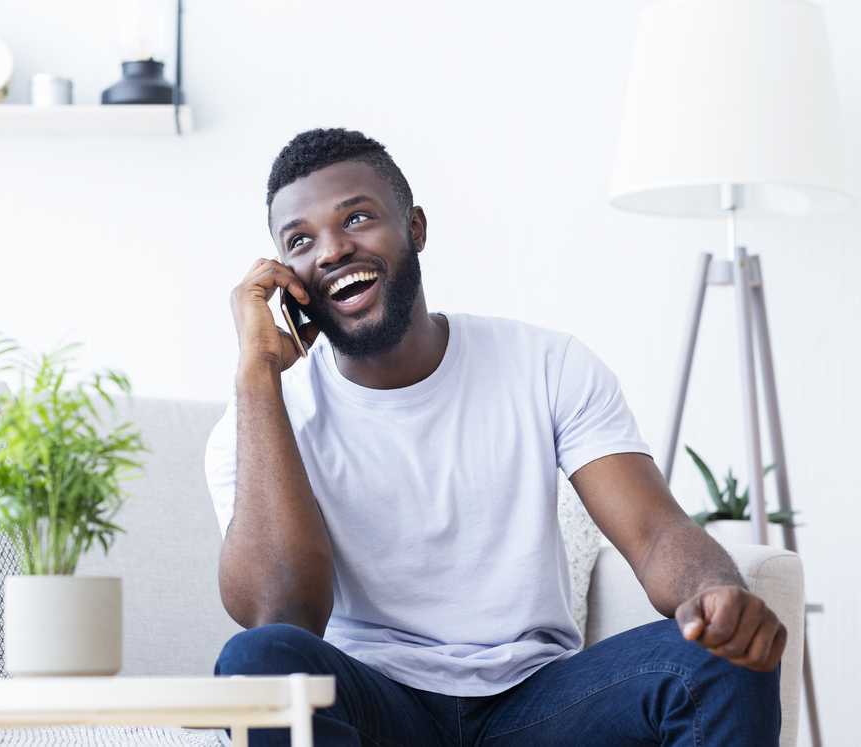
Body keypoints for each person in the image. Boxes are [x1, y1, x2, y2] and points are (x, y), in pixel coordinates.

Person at [204, 128, 783, 746]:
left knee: (721, 657)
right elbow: (283, 615)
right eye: (301, 241)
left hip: (536, 705)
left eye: (357, 218)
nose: (332, 250)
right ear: (284, 278)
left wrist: (711, 590)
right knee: (256, 661)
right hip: (377, 708)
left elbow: (654, 532)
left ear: (415, 228)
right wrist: (257, 375)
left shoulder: (546, 365)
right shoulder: (261, 420)